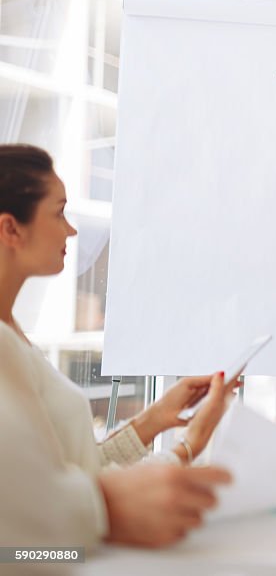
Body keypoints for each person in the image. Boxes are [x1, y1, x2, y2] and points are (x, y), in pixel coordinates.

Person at [0, 144, 232, 549]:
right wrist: (189, 446)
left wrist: (154, 420)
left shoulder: (15, 335)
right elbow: (29, 541)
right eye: (58, 212)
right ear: (11, 229)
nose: (71, 229)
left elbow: (72, 476)